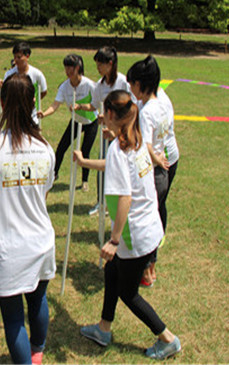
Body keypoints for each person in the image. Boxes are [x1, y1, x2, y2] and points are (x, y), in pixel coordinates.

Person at [75, 90, 181, 360]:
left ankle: (167, 339)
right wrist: (85, 162)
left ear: (111, 114)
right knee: (111, 273)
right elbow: (116, 165)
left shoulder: (119, 150)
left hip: (135, 234)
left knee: (128, 293)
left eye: (104, 112)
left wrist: (114, 240)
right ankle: (103, 329)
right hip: (151, 226)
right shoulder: (135, 139)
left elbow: (125, 196)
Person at [0, 73, 56, 365]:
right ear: (33, 103)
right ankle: (37, 351)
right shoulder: (45, 149)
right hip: (41, 241)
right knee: (38, 299)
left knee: (14, 318)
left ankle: (34, 354)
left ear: (2, 103)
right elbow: (43, 193)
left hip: (8, 248)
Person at [127, 55, 179, 286]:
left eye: (132, 84)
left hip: (156, 170)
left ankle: (146, 271)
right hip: (166, 166)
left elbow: (147, 146)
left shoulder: (147, 111)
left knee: (147, 220)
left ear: (141, 84)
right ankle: (151, 268)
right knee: (156, 214)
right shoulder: (161, 102)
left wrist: (156, 159)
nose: (130, 89)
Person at [37, 54, 98, 192]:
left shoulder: (89, 85)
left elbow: (95, 105)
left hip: (91, 122)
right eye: (66, 68)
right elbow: (55, 105)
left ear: (78, 68)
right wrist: (44, 113)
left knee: (85, 151)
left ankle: (84, 181)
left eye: (70, 68)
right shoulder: (64, 87)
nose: (68, 71)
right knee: (61, 147)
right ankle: (54, 175)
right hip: (76, 121)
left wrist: (80, 106)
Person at [88, 46, 133, 216]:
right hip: (106, 133)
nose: (98, 68)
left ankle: (121, 203)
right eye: (97, 65)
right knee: (103, 165)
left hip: (122, 134)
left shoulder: (122, 82)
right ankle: (101, 202)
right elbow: (94, 105)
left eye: (101, 64)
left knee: (121, 168)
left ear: (111, 64)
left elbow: (131, 108)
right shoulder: (99, 86)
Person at [0, 42, 47, 126]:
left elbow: (44, 91)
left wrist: (30, 101)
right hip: (14, 118)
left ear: (27, 56)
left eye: (19, 57)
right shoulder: (9, 74)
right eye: (14, 57)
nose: (16, 60)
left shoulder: (37, 74)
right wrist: (0, 88)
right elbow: (4, 95)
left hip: (32, 118)